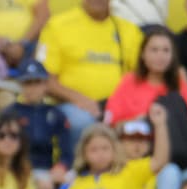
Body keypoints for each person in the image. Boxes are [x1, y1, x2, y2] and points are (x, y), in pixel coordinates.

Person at [105, 26, 187, 189]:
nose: (160, 56)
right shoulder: (129, 82)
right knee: (169, 174)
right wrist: (142, 119)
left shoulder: (177, 83)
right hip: (142, 159)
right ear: (143, 54)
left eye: (165, 50)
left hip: (180, 155)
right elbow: (110, 124)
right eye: (154, 50)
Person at [36, 0, 142, 153]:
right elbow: (44, 78)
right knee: (81, 121)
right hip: (71, 105)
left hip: (117, 106)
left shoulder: (129, 30)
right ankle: (79, 172)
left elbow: (142, 77)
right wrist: (79, 99)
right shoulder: (58, 26)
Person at [7, 61, 72, 189]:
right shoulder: (10, 114)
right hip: (21, 170)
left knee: (75, 184)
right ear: (21, 86)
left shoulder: (56, 114)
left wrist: (60, 167)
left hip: (51, 169)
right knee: (43, 186)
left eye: (37, 82)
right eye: (28, 83)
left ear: (45, 85)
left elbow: (66, 150)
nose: (33, 88)